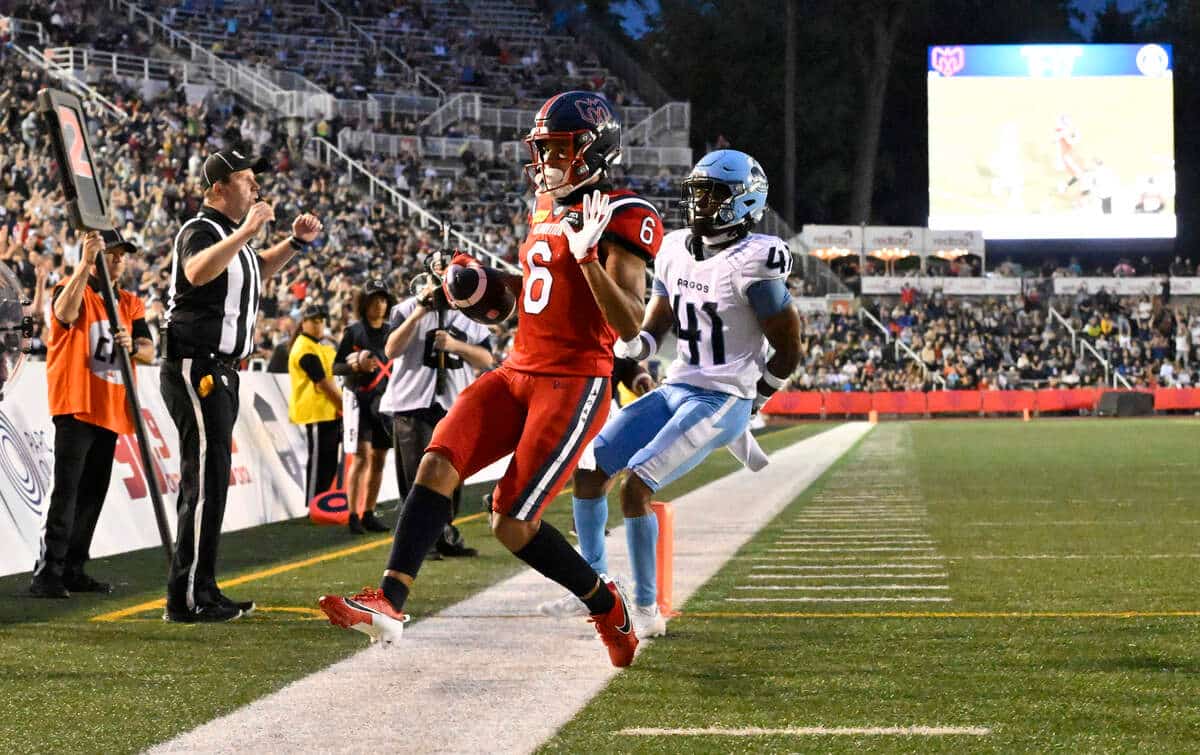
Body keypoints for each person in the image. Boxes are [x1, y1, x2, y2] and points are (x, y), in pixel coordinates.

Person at [320, 91, 663, 667]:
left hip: (573, 380)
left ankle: (607, 605)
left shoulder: (625, 213)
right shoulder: (546, 204)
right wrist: (478, 284)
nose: (546, 161)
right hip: (517, 367)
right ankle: (389, 602)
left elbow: (628, 322)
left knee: (510, 521)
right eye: (542, 149)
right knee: (437, 461)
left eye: (558, 149)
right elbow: (533, 295)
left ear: (593, 149)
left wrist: (587, 258)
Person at [542, 150, 802, 637]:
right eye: (698, 192)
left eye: (714, 194)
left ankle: (646, 610)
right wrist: (631, 345)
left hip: (721, 397)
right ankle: (594, 584)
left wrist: (753, 403)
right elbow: (652, 331)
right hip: (678, 385)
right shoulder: (675, 247)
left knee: (636, 487)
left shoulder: (758, 260)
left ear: (746, 201)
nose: (701, 203)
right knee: (591, 468)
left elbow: (789, 350)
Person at [160, 148, 323, 623]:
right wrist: (248, 231)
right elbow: (196, 272)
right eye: (247, 179)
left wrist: (294, 243)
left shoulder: (233, 240)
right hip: (197, 365)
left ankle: (203, 587)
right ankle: (186, 597)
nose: (256, 187)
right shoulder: (200, 229)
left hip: (221, 368)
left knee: (213, 483)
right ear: (218, 188)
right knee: (203, 483)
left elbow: (257, 271)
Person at [30, 229, 155, 598]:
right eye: (111, 253)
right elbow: (63, 313)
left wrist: (134, 347)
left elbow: (149, 349)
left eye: (122, 255)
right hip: (77, 404)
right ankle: (48, 572)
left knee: (92, 494)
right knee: (67, 491)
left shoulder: (129, 302)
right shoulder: (73, 287)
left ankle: (74, 567)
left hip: (110, 407)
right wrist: (84, 265)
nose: (118, 260)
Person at [380, 273, 494, 559]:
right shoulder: (406, 308)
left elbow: (486, 359)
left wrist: (455, 346)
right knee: (417, 477)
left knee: (453, 475)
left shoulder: (471, 314)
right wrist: (419, 312)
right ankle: (419, 541)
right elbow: (391, 349)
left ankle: (444, 534)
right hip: (413, 403)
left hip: (455, 404)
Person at [334, 277, 396, 535]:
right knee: (362, 456)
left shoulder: (394, 331)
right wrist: (355, 366)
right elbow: (336, 367)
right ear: (364, 303)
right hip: (360, 401)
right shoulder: (354, 331)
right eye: (374, 300)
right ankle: (352, 514)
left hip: (386, 403)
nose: (379, 305)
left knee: (380, 458)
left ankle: (369, 512)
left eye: (383, 299)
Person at [288, 303, 342, 504]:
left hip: (327, 411)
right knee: (320, 462)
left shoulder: (316, 346)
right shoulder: (305, 347)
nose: (319, 325)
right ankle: (313, 504)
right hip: (317, 411)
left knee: (328, 462)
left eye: (322, 321)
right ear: (304, 323)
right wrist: (343, 406)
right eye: (315, 321)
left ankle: (323, 504)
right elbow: (322, 382)